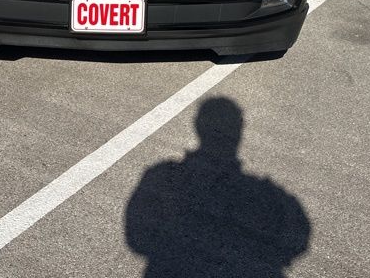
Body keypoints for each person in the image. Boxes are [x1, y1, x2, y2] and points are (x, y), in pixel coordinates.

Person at [125, 97, 311, 277]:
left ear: (198, 127)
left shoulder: (162, 177)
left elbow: (136, 238)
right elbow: (295, 241)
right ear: (238, 134)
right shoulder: (268, 197)